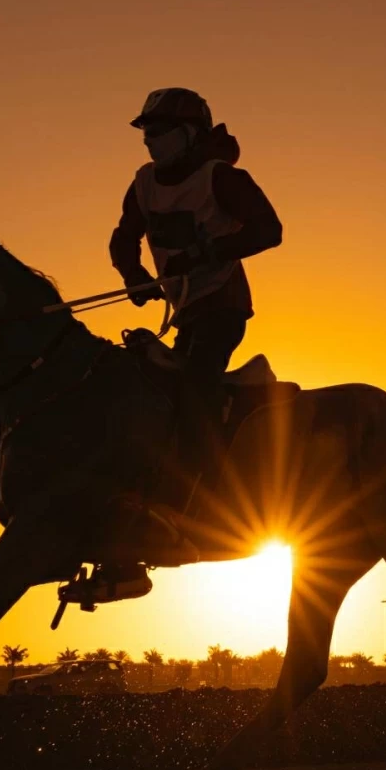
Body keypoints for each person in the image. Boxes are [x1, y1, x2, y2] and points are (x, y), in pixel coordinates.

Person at [109, 87, 282, 505]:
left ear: (189, 133)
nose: (150, 139)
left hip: (222, 307)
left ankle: (202, 488)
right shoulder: (143, 183)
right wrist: (136, 278)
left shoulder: (221, 177)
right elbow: (123, 239)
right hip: (185, 313)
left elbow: (269, 230)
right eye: (146, 132)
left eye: (160, 130)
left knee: (193, 387)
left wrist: (209, 252)